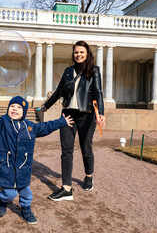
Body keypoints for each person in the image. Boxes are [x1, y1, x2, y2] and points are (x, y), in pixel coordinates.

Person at [0, 91, 73, 224]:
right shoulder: (1, 124)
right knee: (10, 194)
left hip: (23, 168)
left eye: (18, 107)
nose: (15, 109)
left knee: (26, 193)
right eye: (12, 107)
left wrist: (61, 121)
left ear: (23, 111)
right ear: (8, 109)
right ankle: (2, 200)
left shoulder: (30, 127)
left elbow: (46, 127)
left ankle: (26, 210)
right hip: (6, 167)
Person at [40, 40, 105, 201]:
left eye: (82, 52)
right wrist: (45, 106)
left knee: (85, 147)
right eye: (76, 52)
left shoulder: (94, 71)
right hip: (68, 114)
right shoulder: (68, 71)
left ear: (87, 53)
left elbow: (98, 92)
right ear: (73, 54)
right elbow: (58, 92)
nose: (78, 55)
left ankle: (88, 175)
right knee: (66, 150)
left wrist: (101, 113)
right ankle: (66, 188)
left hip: (86, 114)